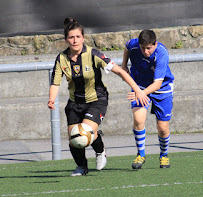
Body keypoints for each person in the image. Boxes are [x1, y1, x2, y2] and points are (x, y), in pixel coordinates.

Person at [48, 17, 149, 176]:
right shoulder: (61, 58)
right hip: (75, 103)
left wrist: (137, 90)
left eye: (78, 37)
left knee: (86, 131)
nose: (75, 40)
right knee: (74, 139)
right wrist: (51, 99)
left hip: (97, 101)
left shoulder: (93, 54)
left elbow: (120, 71)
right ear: (66, 39)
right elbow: (55, 82)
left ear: (83, 37)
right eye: (71, 37)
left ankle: (100, 151)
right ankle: (82, 167)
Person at [122, 29, 174, 169]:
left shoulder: (161, 53)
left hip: (161, 88)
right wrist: (124, 64)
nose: (146, 51)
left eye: (149, 48)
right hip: (139, 85)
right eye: (143, 48)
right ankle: (141, 154)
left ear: (155, 44)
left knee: (163, 128)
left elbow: (157, 83)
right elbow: (127, 47)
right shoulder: (133, 45)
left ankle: (163, 155)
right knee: (138, 119)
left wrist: (141, 93)